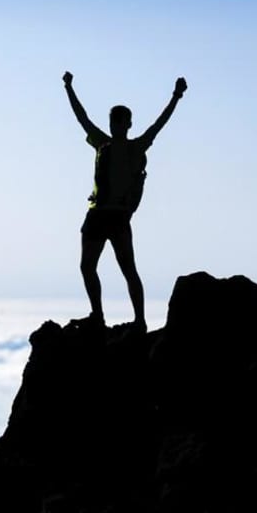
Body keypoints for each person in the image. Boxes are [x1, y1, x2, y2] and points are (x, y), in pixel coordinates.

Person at [63, 71, 187, 332]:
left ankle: (140, 320)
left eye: (120, 122)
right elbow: (81, 117)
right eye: (113, 121)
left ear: (128, 124)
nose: (116, 125)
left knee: (128, 269)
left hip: (117, 217)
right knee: (87, 267)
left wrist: (176, 96)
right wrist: (69, 88)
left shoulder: (136, 147)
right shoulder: (102, 143)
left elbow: (159, 124)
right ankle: (98, 316)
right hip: (97, 214)